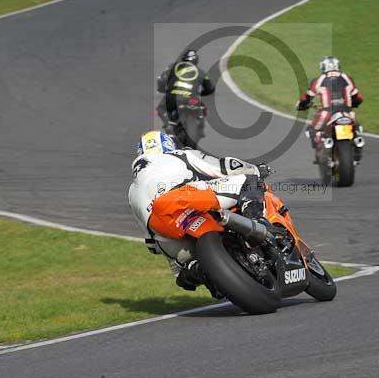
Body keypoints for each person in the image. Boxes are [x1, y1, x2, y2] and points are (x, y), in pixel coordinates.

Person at [128, 130, 271, 291]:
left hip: (162, 228)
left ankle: (198, 273)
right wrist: (254, 169)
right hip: (184, 198)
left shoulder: (132, 190)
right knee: (250, 182)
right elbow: (223, 167)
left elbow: (150, 243)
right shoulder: (179, 154)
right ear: (169, 145)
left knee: (182, 268)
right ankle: (258, 222)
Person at [295, 56, 363, 158]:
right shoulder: (347, 78)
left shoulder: (318, 80)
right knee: (357, 128)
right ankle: (357, 146)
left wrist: (301, 105)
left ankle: (321, 153)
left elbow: (306, 98)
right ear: (338, 66)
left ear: (323, 68)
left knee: (312, 129)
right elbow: (359, 98)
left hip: (327, 113)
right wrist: (354, 103)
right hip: (347, 112)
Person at [156, 49, 215, 137]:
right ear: (196, 60)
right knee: (203, 108)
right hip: (192, 98)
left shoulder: (173, 67)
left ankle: (169, 125)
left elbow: (161, 79)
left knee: (160, 108)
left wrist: (161, 89)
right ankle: (201, 128)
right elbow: (210, 88)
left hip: (174, 96)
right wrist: (201, 93)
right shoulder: (201, 72)